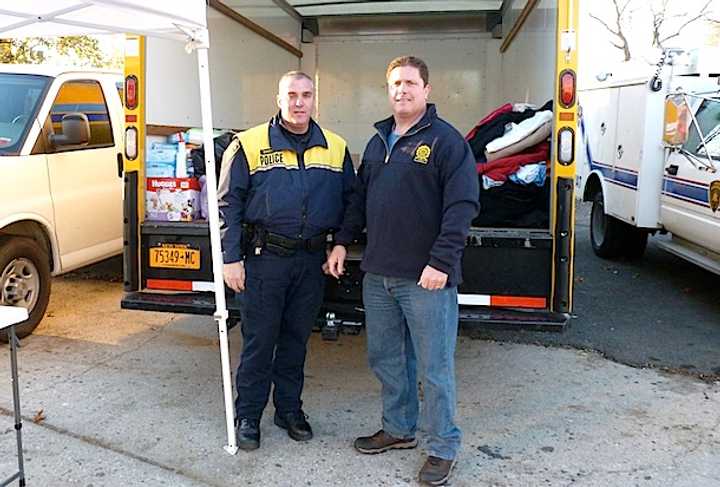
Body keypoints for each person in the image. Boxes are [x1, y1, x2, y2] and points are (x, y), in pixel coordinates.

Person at [327, 56, 479, 485]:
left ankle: (442, 446)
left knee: (434, 367)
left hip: (426, 278)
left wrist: (441, 261)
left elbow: (462, 205)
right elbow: (358, 200)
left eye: (410, 83)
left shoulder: (448, 143)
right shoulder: (378, 143)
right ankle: (398, 430)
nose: (402, 90)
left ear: (427, 91)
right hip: (379, 275)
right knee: (387, 359)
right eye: (395, 84)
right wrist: (342, 241)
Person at [219, 71, 355, 451]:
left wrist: (341, 243)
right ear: (278, 98)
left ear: (315, 99)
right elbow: (227, 203)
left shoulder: (336, 147)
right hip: (264, 260)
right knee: (259, 342)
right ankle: (248, 414)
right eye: (291, 95)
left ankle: (289, 410)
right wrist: (231, 259)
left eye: (306, 95)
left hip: (312, 262)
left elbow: (351, 202)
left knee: (296, 341)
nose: (299, 102)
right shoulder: (247, 144)